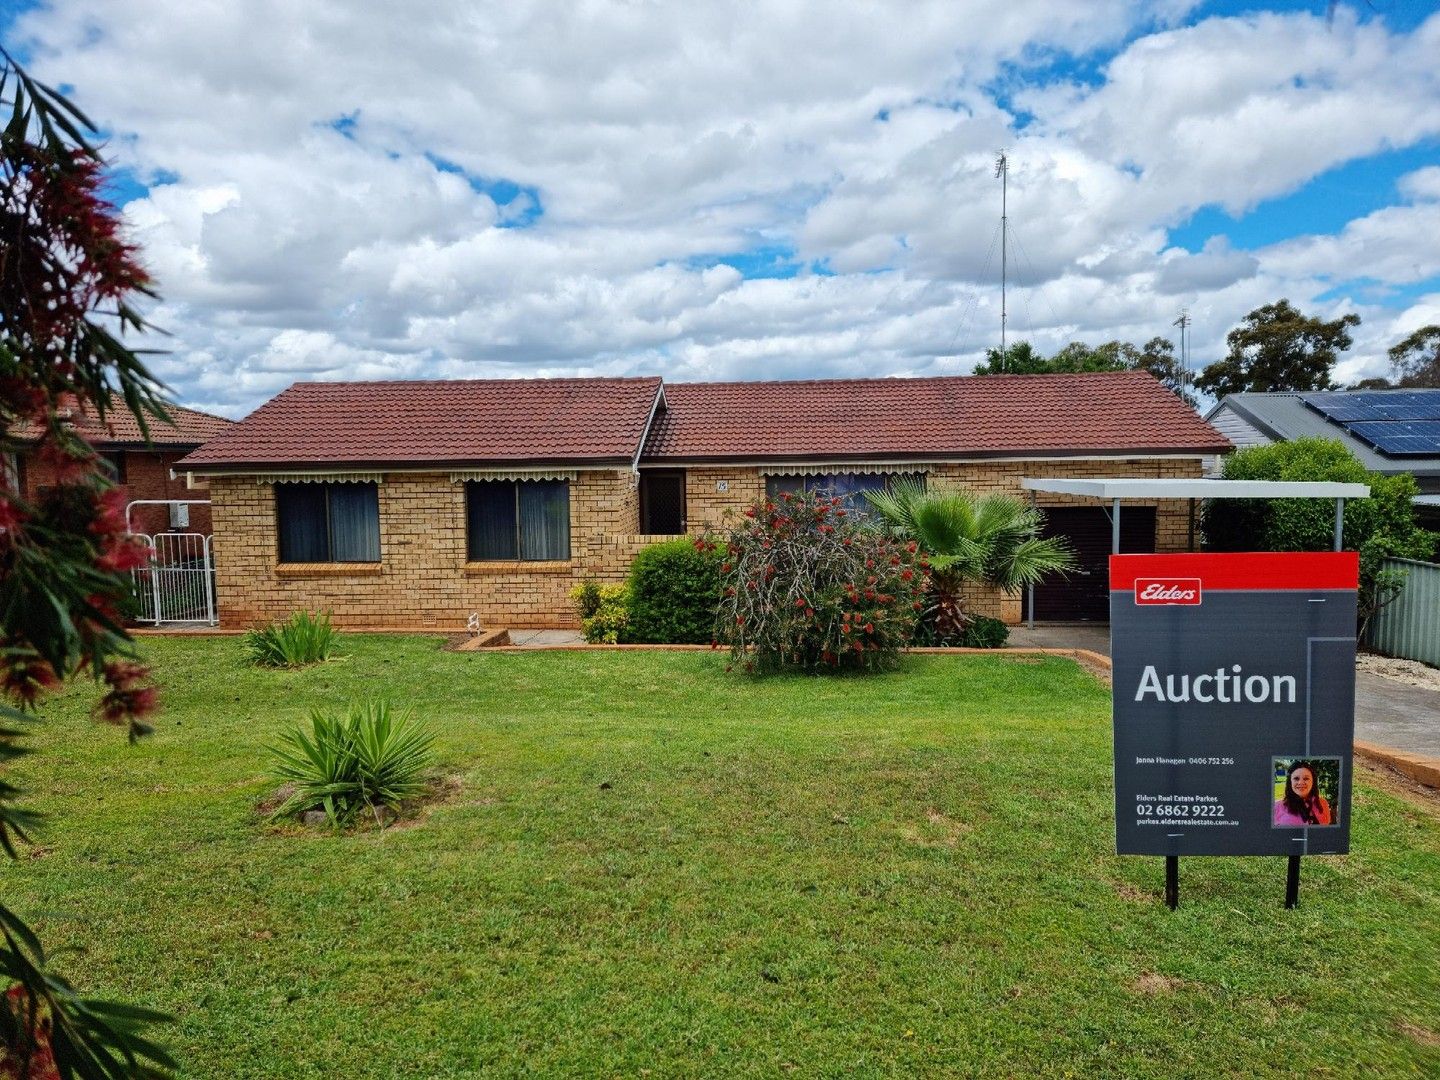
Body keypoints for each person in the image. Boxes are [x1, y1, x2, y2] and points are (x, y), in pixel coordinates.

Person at [1274, 760, 1333, 826]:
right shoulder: (1276, 807)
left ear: (1313, 782)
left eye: (1306, 778)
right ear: (1290, 782)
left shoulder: (1323, 803)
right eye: (1296, 778)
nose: (1301, 782)